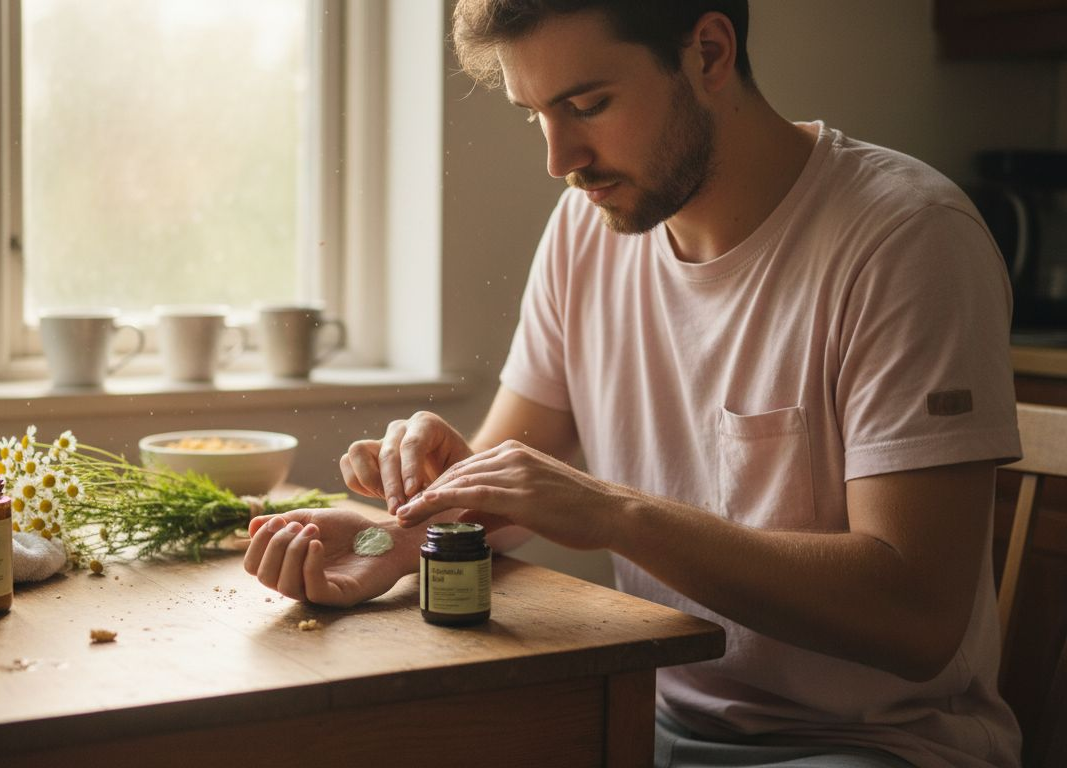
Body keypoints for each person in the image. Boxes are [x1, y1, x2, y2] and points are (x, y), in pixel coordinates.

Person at [243, 2, 1023, 765]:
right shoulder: (587, 228)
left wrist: (615, 513)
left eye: (587, 104)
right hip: (641, 711)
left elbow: (916, 618)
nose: (559, 159)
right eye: (535, 115)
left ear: (710, 52)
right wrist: (390, 538)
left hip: (863, 744)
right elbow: (503, 485)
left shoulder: (906, 241)